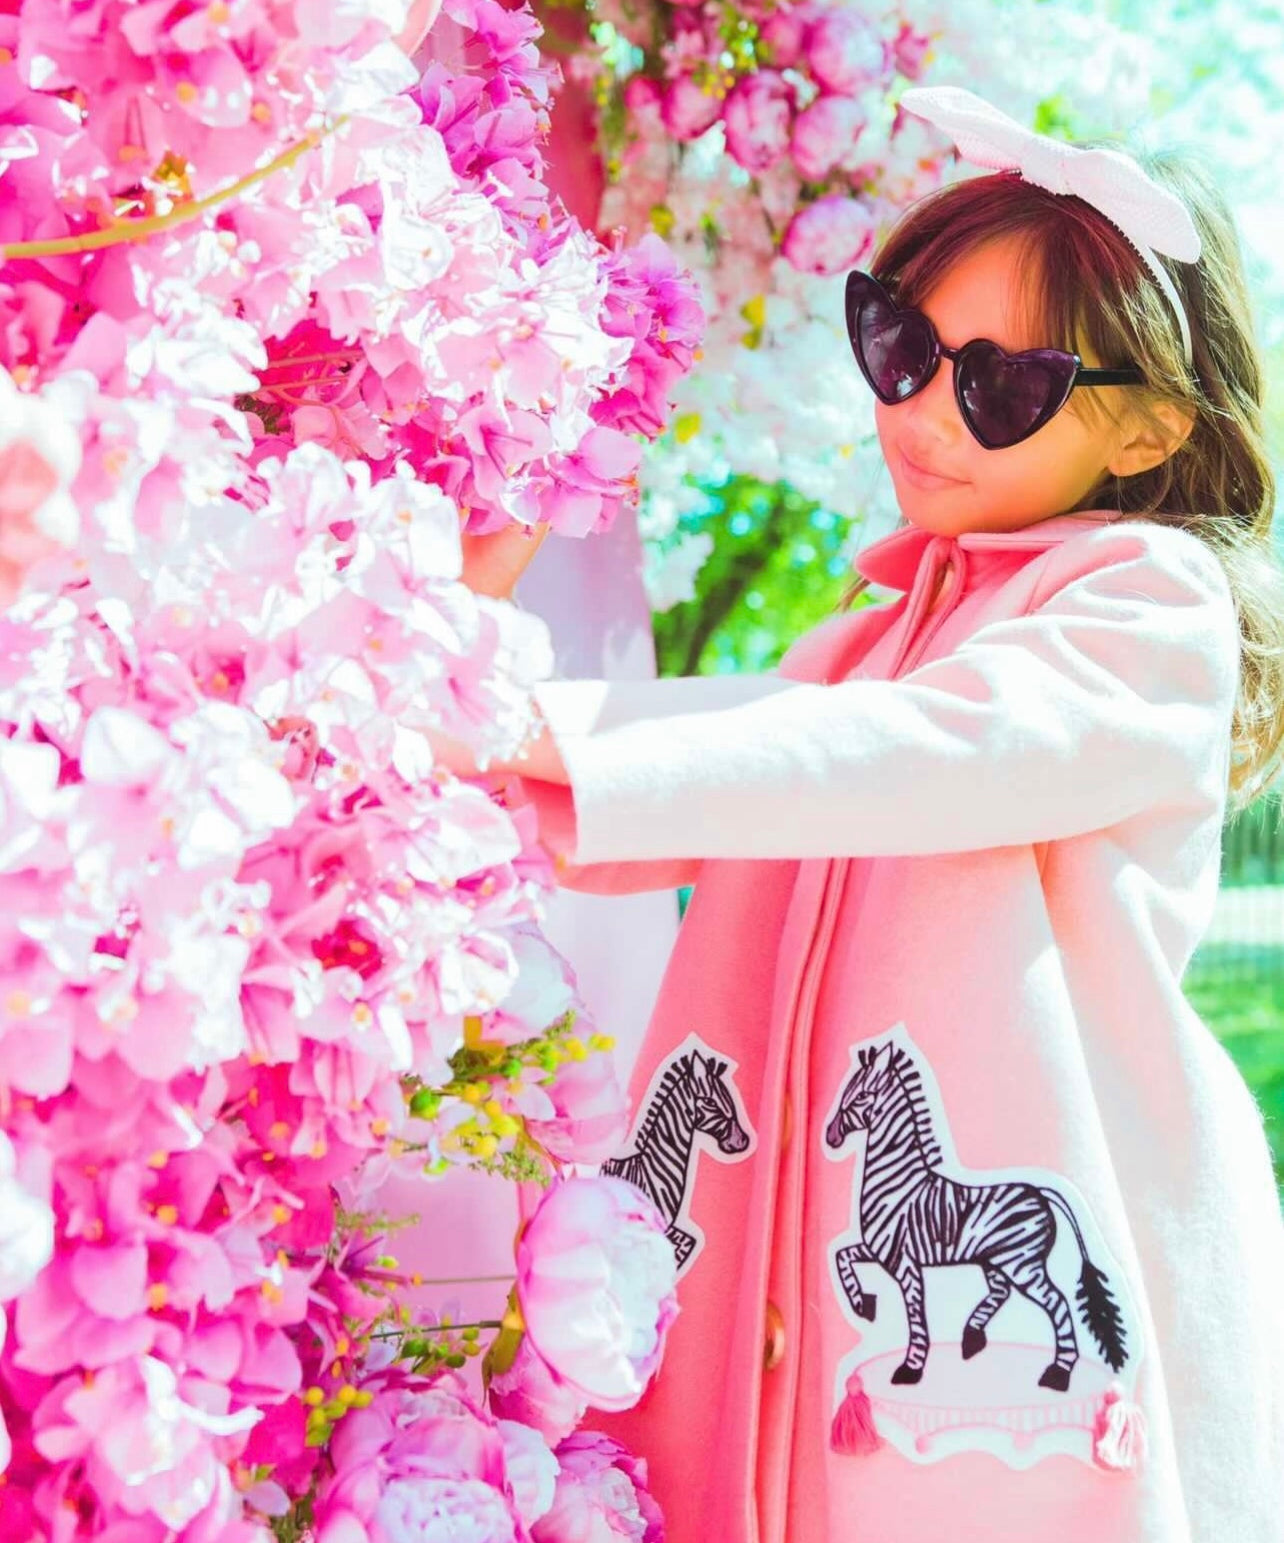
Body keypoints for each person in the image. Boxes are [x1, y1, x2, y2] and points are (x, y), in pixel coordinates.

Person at [453, 88, 1284, 1543]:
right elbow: (759, 744)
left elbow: (930, 747)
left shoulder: (1149, 613)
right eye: (901, 347)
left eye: (999, 385)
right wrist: (468, 724)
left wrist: (538, 732)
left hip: (1046, 1209)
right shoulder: (874, 631)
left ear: (1152, 427)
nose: (918, 413)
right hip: (788, 1238)